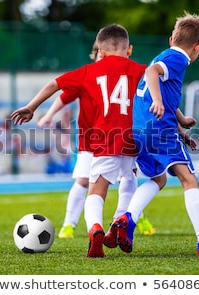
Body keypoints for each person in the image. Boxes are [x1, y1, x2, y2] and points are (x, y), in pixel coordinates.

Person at [11, 24, 150, 258]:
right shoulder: (142, 70)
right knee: (130, 176)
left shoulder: (88, 71)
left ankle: (95, 227)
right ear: (129, 50)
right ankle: (120, 221)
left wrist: (32, 106)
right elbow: (158, 96)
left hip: (104, 138)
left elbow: (55, 84)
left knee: (96, 190)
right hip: (133, 137)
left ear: (101, 51)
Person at [113, 12, 199, 256]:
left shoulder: (164, 55)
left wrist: (181, 122)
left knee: (159, 178)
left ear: (171, 39)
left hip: (141, 129)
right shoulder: (178, 58)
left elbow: (163, 91)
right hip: (159, 130)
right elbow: (152, 75)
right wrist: (158, 101)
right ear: (197, 46)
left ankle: (128, 219)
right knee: (190, 180)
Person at [37, 42, 156, 239]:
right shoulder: (89, 75)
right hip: (91, 137)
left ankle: (131, 217)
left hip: (114, 135)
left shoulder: (116, 72)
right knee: (85, 180)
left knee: (127, 175)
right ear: (97, 55)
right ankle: (69, 224)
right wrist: (49, 115)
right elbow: (64, 97)